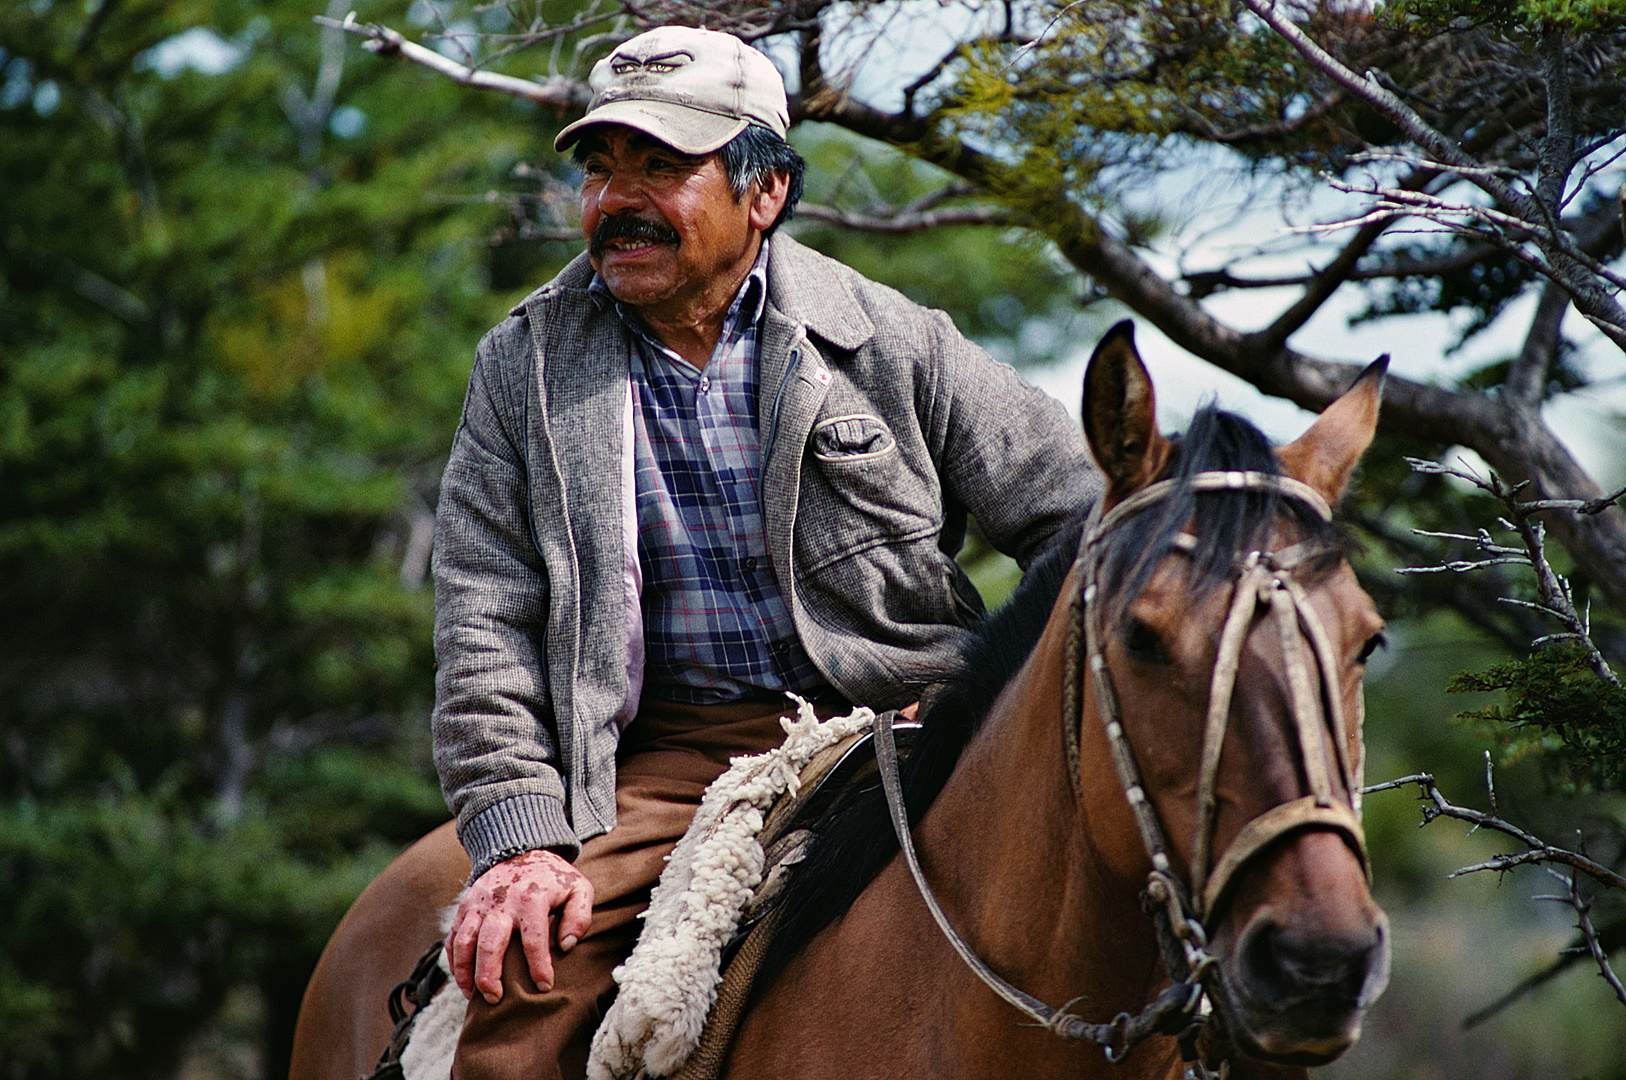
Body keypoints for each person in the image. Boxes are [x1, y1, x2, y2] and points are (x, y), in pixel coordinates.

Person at [430, 24, 1099, 1080]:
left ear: (765, 193)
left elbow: (1086, 520)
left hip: (904, 726)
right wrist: (522, 842)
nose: (617, 199)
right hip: (661, 759)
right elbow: (483, 624)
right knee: (521, 1004)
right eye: (601, 169)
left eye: (661, 165)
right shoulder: (523, 365)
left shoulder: (892, 339)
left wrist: (992, 694)